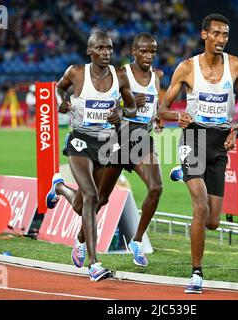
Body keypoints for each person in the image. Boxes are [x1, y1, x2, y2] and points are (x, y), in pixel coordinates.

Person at [158, 14, 238, 293]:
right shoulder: (187, 68)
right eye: (216, 34)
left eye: (225, 35)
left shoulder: (235, 65)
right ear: (204, 35)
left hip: (220, 142)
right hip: (194, 137)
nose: (221, 39)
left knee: (212, 221)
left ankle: (184, 173)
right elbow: (161, 109)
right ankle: (196, 274)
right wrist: (178, 116)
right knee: (199, 208)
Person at [46, 31, 136, 281]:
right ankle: (94, 263)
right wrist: (60, 102)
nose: (106, 52)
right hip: (79, 141)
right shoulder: (76, 72)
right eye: (101, 48)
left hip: (107, 144)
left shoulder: (120, 77)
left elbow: (131, 106)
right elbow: (58, 89)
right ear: (90, 51)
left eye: (109, 48)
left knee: (95, 201)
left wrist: (120, 111)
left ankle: (61, 188)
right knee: (91, 196)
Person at [72, 32, 164, 268]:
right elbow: (107, 100)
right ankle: (82, 240)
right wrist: (128, 102)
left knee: (156, 187)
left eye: (153, 51)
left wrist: (158, 117)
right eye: (144, 51)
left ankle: (136, 240)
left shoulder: (158, 76)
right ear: (134, 52)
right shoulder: (120, 73)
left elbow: (154, 107)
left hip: (141, 139)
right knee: (100, 199)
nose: (149, 56)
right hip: (117, 138)